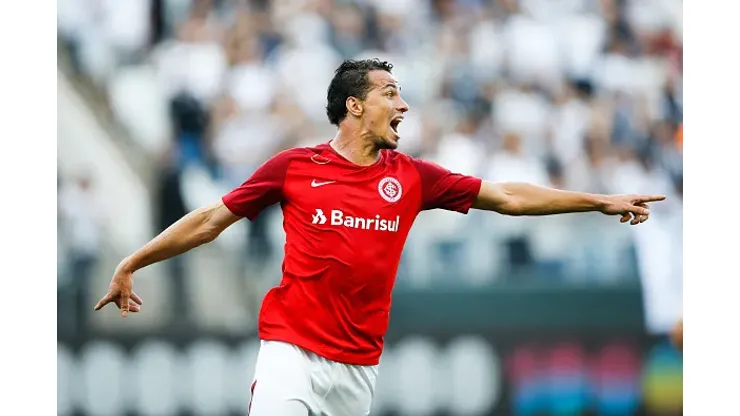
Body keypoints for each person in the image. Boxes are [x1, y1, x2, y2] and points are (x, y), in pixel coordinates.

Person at [94, 59, 665, 416]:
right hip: (291, 349)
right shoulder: (294, 167)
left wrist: (596, 199)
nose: (405, 104)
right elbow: (209, 219)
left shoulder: (412, 177)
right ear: (355, 105)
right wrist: (134, 262)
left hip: (358, 368)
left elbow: (508, 196)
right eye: (391, 93)